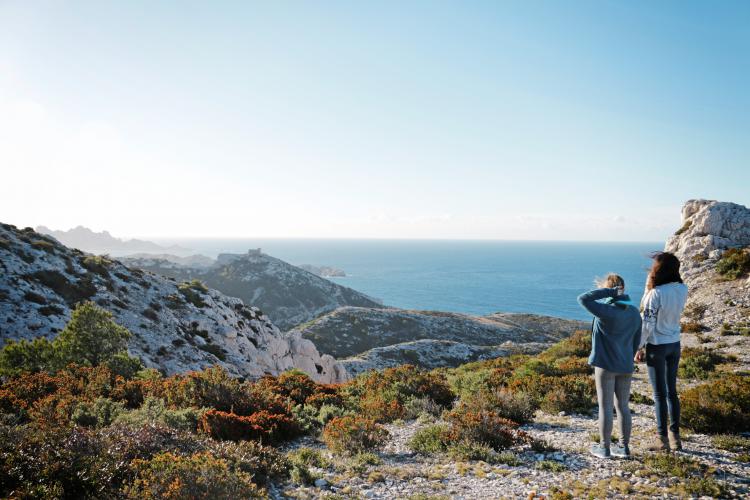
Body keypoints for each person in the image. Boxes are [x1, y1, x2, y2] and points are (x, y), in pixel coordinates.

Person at [577, 274, 642, 459]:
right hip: (625, 365)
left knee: (605, 407)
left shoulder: (605, 310)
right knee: (623, 406)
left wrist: (608, 292)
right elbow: (636, 342)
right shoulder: (634, 312)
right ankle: (624, 447)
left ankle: (604, 448)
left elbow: (583, 298)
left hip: (605, 365)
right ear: (624, 288)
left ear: (609, 288)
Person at [635, 252, 688, 451]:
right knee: (672, 392)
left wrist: (639, 347)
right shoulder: (683, 289)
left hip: (657, 345)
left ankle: (661, 439)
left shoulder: (655, 294)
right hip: (674, 343)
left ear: (659, 270)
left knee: (659, 394)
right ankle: (676, 438)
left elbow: (647, 324)